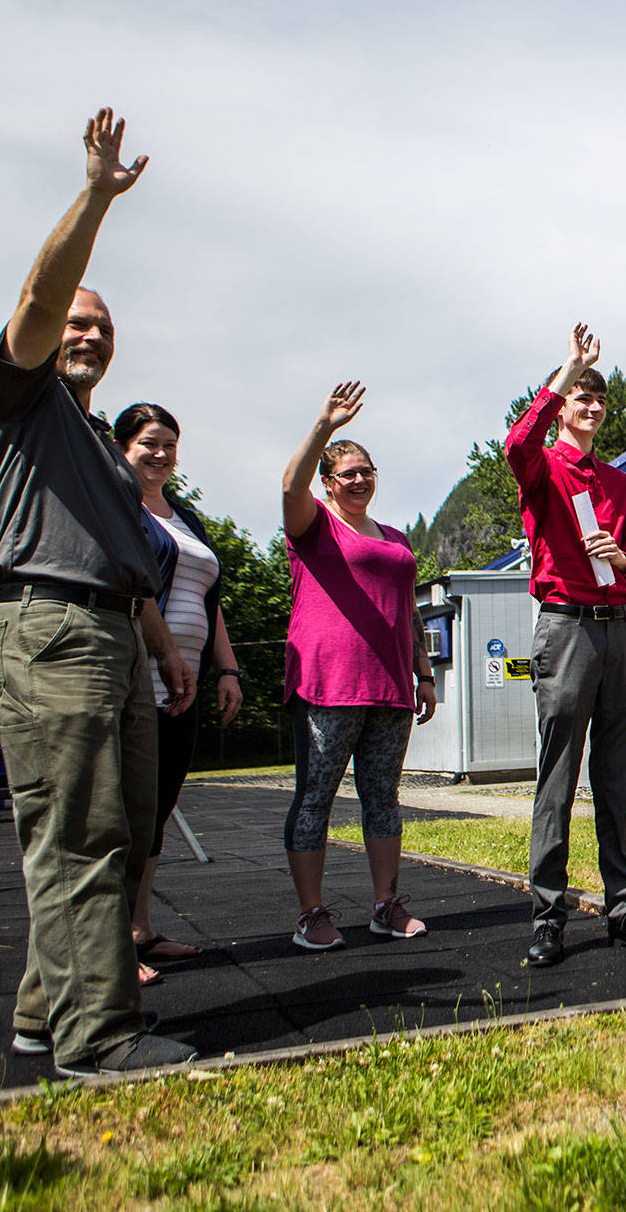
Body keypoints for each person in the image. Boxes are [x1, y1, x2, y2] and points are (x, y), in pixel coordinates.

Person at [0, 109, 199, 1076]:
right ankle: (96, 1037)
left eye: (101, 325)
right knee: (80, 837)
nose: (87, 332)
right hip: (49, 631)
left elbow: (127, 562)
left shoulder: (101, 452)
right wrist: (97, 197)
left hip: (110, 636)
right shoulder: (16, 392)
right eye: (76, 320)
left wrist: (164, 644)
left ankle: (39, 1011)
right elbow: (35, 299)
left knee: (113, 828)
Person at [508, 324, 626, 965]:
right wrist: (567, 366)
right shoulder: (542, 466)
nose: (593, 406)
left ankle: (625, 907)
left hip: (622, 630)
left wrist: (621, 559)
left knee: (616, 777)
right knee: (558, 776)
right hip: (567, 627)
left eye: (599, 398)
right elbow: (518, 442)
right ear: (564, 405)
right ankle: (549, 913)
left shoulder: (618, 483)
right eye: (582, 396)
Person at [280, 382, 437, 949]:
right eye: (348, 473)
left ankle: (384, 905)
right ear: (328, 483)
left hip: (390, 688)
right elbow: (290, 485)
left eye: (367, 471)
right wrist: (324, 424)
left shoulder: (395, 539)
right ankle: (311, 914)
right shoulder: (314, 525)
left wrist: (423, 670)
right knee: (315, 797)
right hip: (327, 686)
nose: (360, 480)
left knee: (383, 800)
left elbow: (409, 610)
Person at [114, 403, 244, 977]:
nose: (161, 453)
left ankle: (140, 930)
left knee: (158, 807)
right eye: (149, 442)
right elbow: (130, 588)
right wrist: (164, 653)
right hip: (136, 672)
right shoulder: (117, 507)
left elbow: (209, 605)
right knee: (120, 809)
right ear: (122, 448)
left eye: (170, 443)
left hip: (185, 679)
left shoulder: (183, 516)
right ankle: (110, 946)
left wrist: (228, 670)